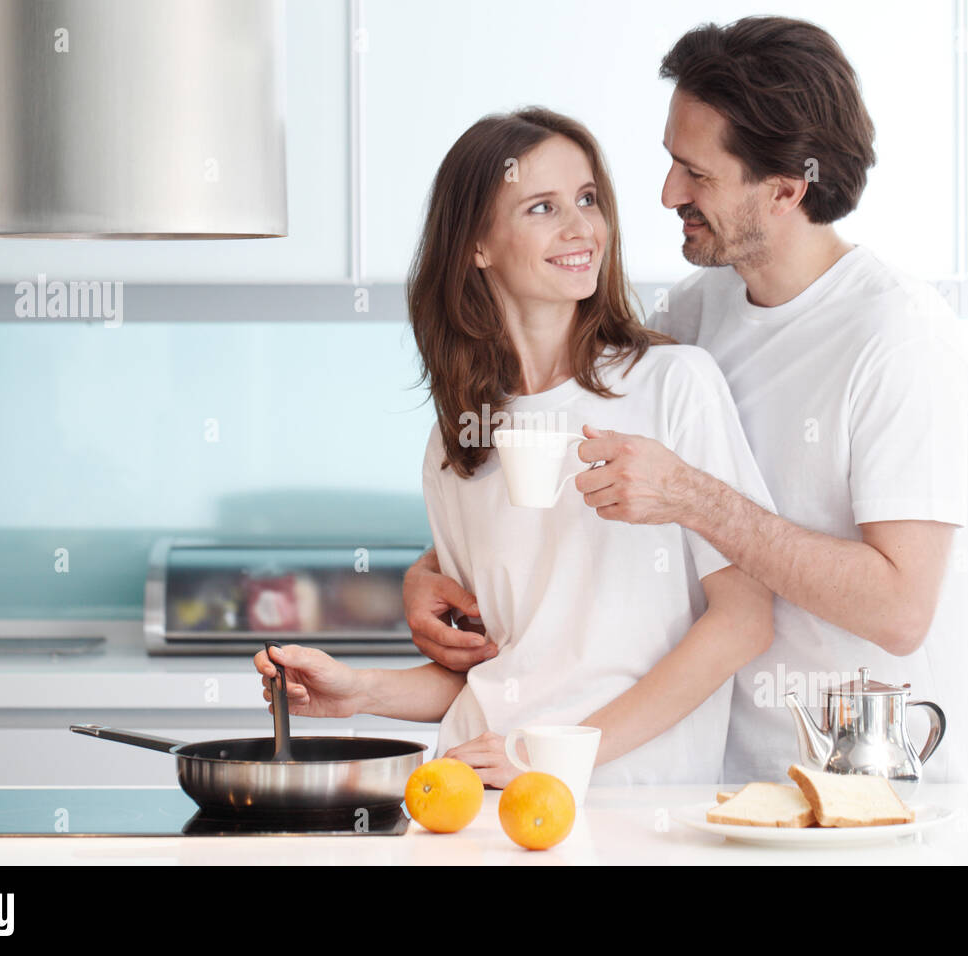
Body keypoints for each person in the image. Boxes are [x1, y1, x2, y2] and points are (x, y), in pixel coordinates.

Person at [405, 17, 968, 786]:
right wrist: (427, 570)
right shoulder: (700, 313)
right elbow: (557, 414)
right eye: (671, 162)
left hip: (878, 790)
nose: (668, 192)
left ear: (783, 189)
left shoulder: (899, 341)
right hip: (733, 781)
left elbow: (901, 610)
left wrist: (694, 498)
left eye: (696, 174)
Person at [257, 107, 775, 786]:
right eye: (542, 207)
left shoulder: (674, 385)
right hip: (475, 794)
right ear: (477, 244)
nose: (580, 227)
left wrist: (555, 754)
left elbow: (744, 621)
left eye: (588, 200)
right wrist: (362, 692)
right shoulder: (458, 444)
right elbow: (502, 667)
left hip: (630, 806)